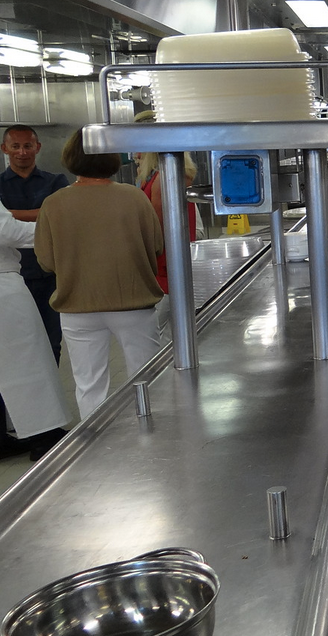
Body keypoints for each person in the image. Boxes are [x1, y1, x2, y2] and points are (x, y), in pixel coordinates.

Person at [35, 130, 164, 421]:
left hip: (78, 307)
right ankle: (154, 439)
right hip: (134, 304)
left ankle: (96, 451)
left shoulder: (54, 203)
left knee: (89, 385)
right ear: (112, 157)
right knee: (148, 380)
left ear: (71, 159)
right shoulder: (133, 197)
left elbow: (45, 260)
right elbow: (156, 245)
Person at [0, 200, 71, 461]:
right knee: (27, 360)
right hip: (3, 285)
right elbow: (8, 232)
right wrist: (58, 229)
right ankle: (43, 436)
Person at [0, 124, 70, 360]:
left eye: (27, 146)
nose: (22, 152)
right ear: (4, 149)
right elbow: (47, 216)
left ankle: (50, 393)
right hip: (13, 278)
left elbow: (59, 215)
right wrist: (41, 213)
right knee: (16, 342)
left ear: (37, 147)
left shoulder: (56, 181)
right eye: (15, 146)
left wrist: (8, 214)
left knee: (52, 340)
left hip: (49, 275)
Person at [132, 111, 199, 341]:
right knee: (174, 334)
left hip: (164, 270)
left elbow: (159, 232)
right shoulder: (172, 173)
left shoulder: (162, 178)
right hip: (173, 267)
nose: (134, 153)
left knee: (157, 338)